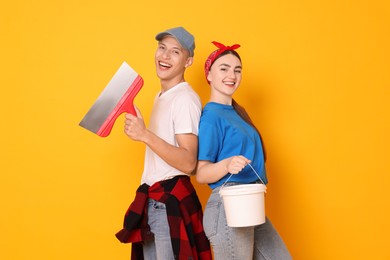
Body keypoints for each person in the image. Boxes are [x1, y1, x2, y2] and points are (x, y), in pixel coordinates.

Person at [115, 27, 212, 260]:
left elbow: (189, 162)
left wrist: (145, 134)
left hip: (169, 203)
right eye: (162, 48)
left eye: (175, 52)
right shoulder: (160, 97)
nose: (165, 56)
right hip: (153, 202)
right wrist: (141, 129)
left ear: (188, 61)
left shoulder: (185, 99)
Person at [196, 41, 292, 260]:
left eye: (237, 70)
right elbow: (202, 173)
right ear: (209, 75)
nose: (232, 75)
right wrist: (227, 164)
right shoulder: (211, 116)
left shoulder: (239, 113)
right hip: (228, 207)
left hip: (250, 203)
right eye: (224, 68)